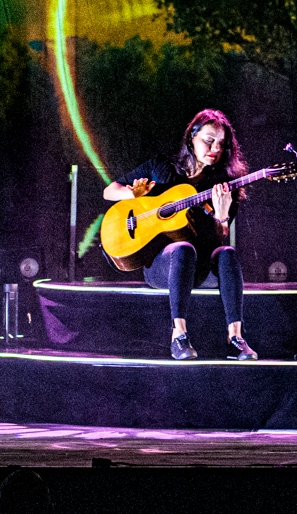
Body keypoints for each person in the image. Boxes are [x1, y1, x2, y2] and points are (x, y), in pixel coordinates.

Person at [103, 108, 256, 361]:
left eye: (221, 144)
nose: (215, 148)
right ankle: (179, 335)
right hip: (163, 266)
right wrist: (134, 195)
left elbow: (219, 238)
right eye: (208, 140)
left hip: (200, 269)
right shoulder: (161, 167)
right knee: (182, 248)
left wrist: (221, 216)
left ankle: (235, 338)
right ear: (191, 139)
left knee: (227, 253)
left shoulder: (223, 186)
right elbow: (110, 191)